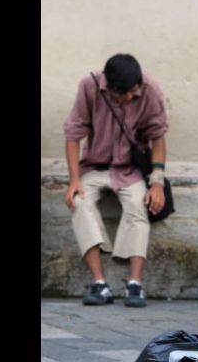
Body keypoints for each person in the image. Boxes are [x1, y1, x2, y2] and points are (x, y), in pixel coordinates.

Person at [63, 53, 168, 308]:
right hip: (94, 168)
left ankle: (135, 284)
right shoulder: (89, 87)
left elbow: (158, 137)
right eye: (129, 93)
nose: (134, 95)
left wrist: (157, 182)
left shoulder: (150, 90)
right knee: (79, 202)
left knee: (138, 206)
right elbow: (73, 134)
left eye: (136, 89)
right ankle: (100, 284)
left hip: (130, 169)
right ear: (112, 91)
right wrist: (74, 180)